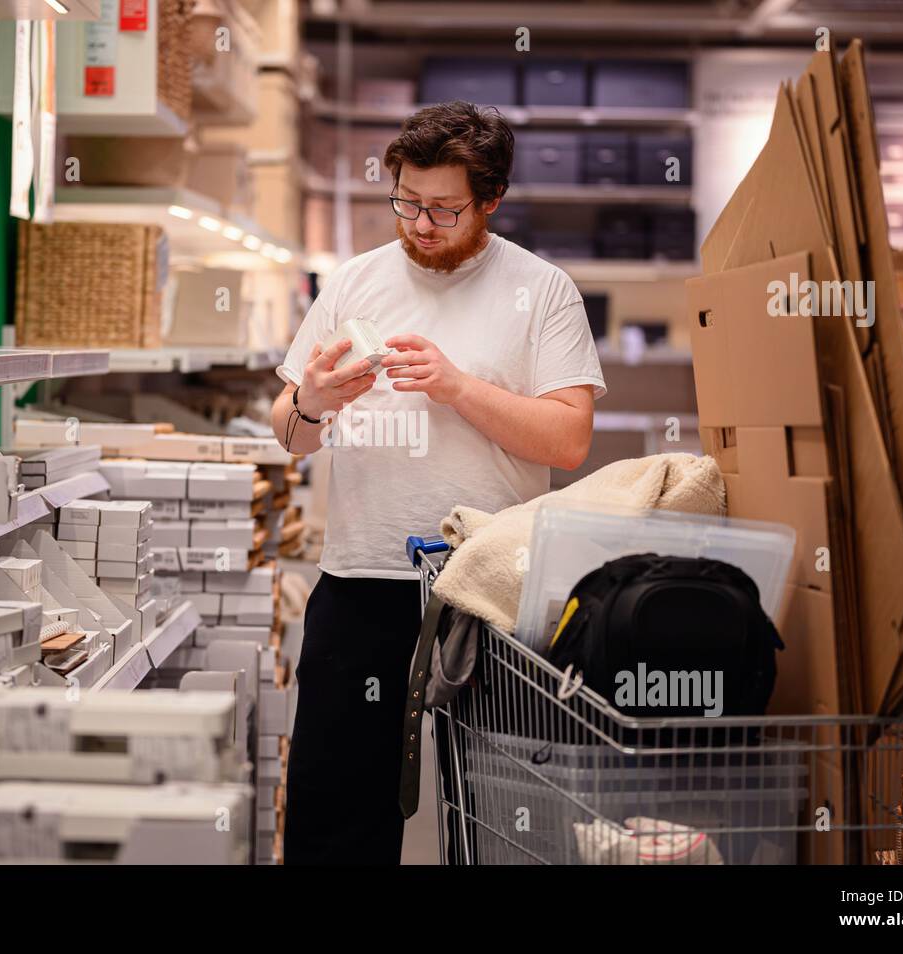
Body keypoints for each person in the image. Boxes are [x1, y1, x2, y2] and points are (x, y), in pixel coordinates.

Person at [271, 100, 607, 864]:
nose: (419, 225)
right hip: (361, 582)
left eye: (443, 210)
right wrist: (311, 405)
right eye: (406, 202)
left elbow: (570, 436)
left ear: (490, 200)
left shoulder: (542, 290)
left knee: (505, 808)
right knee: (336, 815)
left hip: (493, 587)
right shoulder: (355, 283)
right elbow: (287, 436)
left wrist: (458, 387)